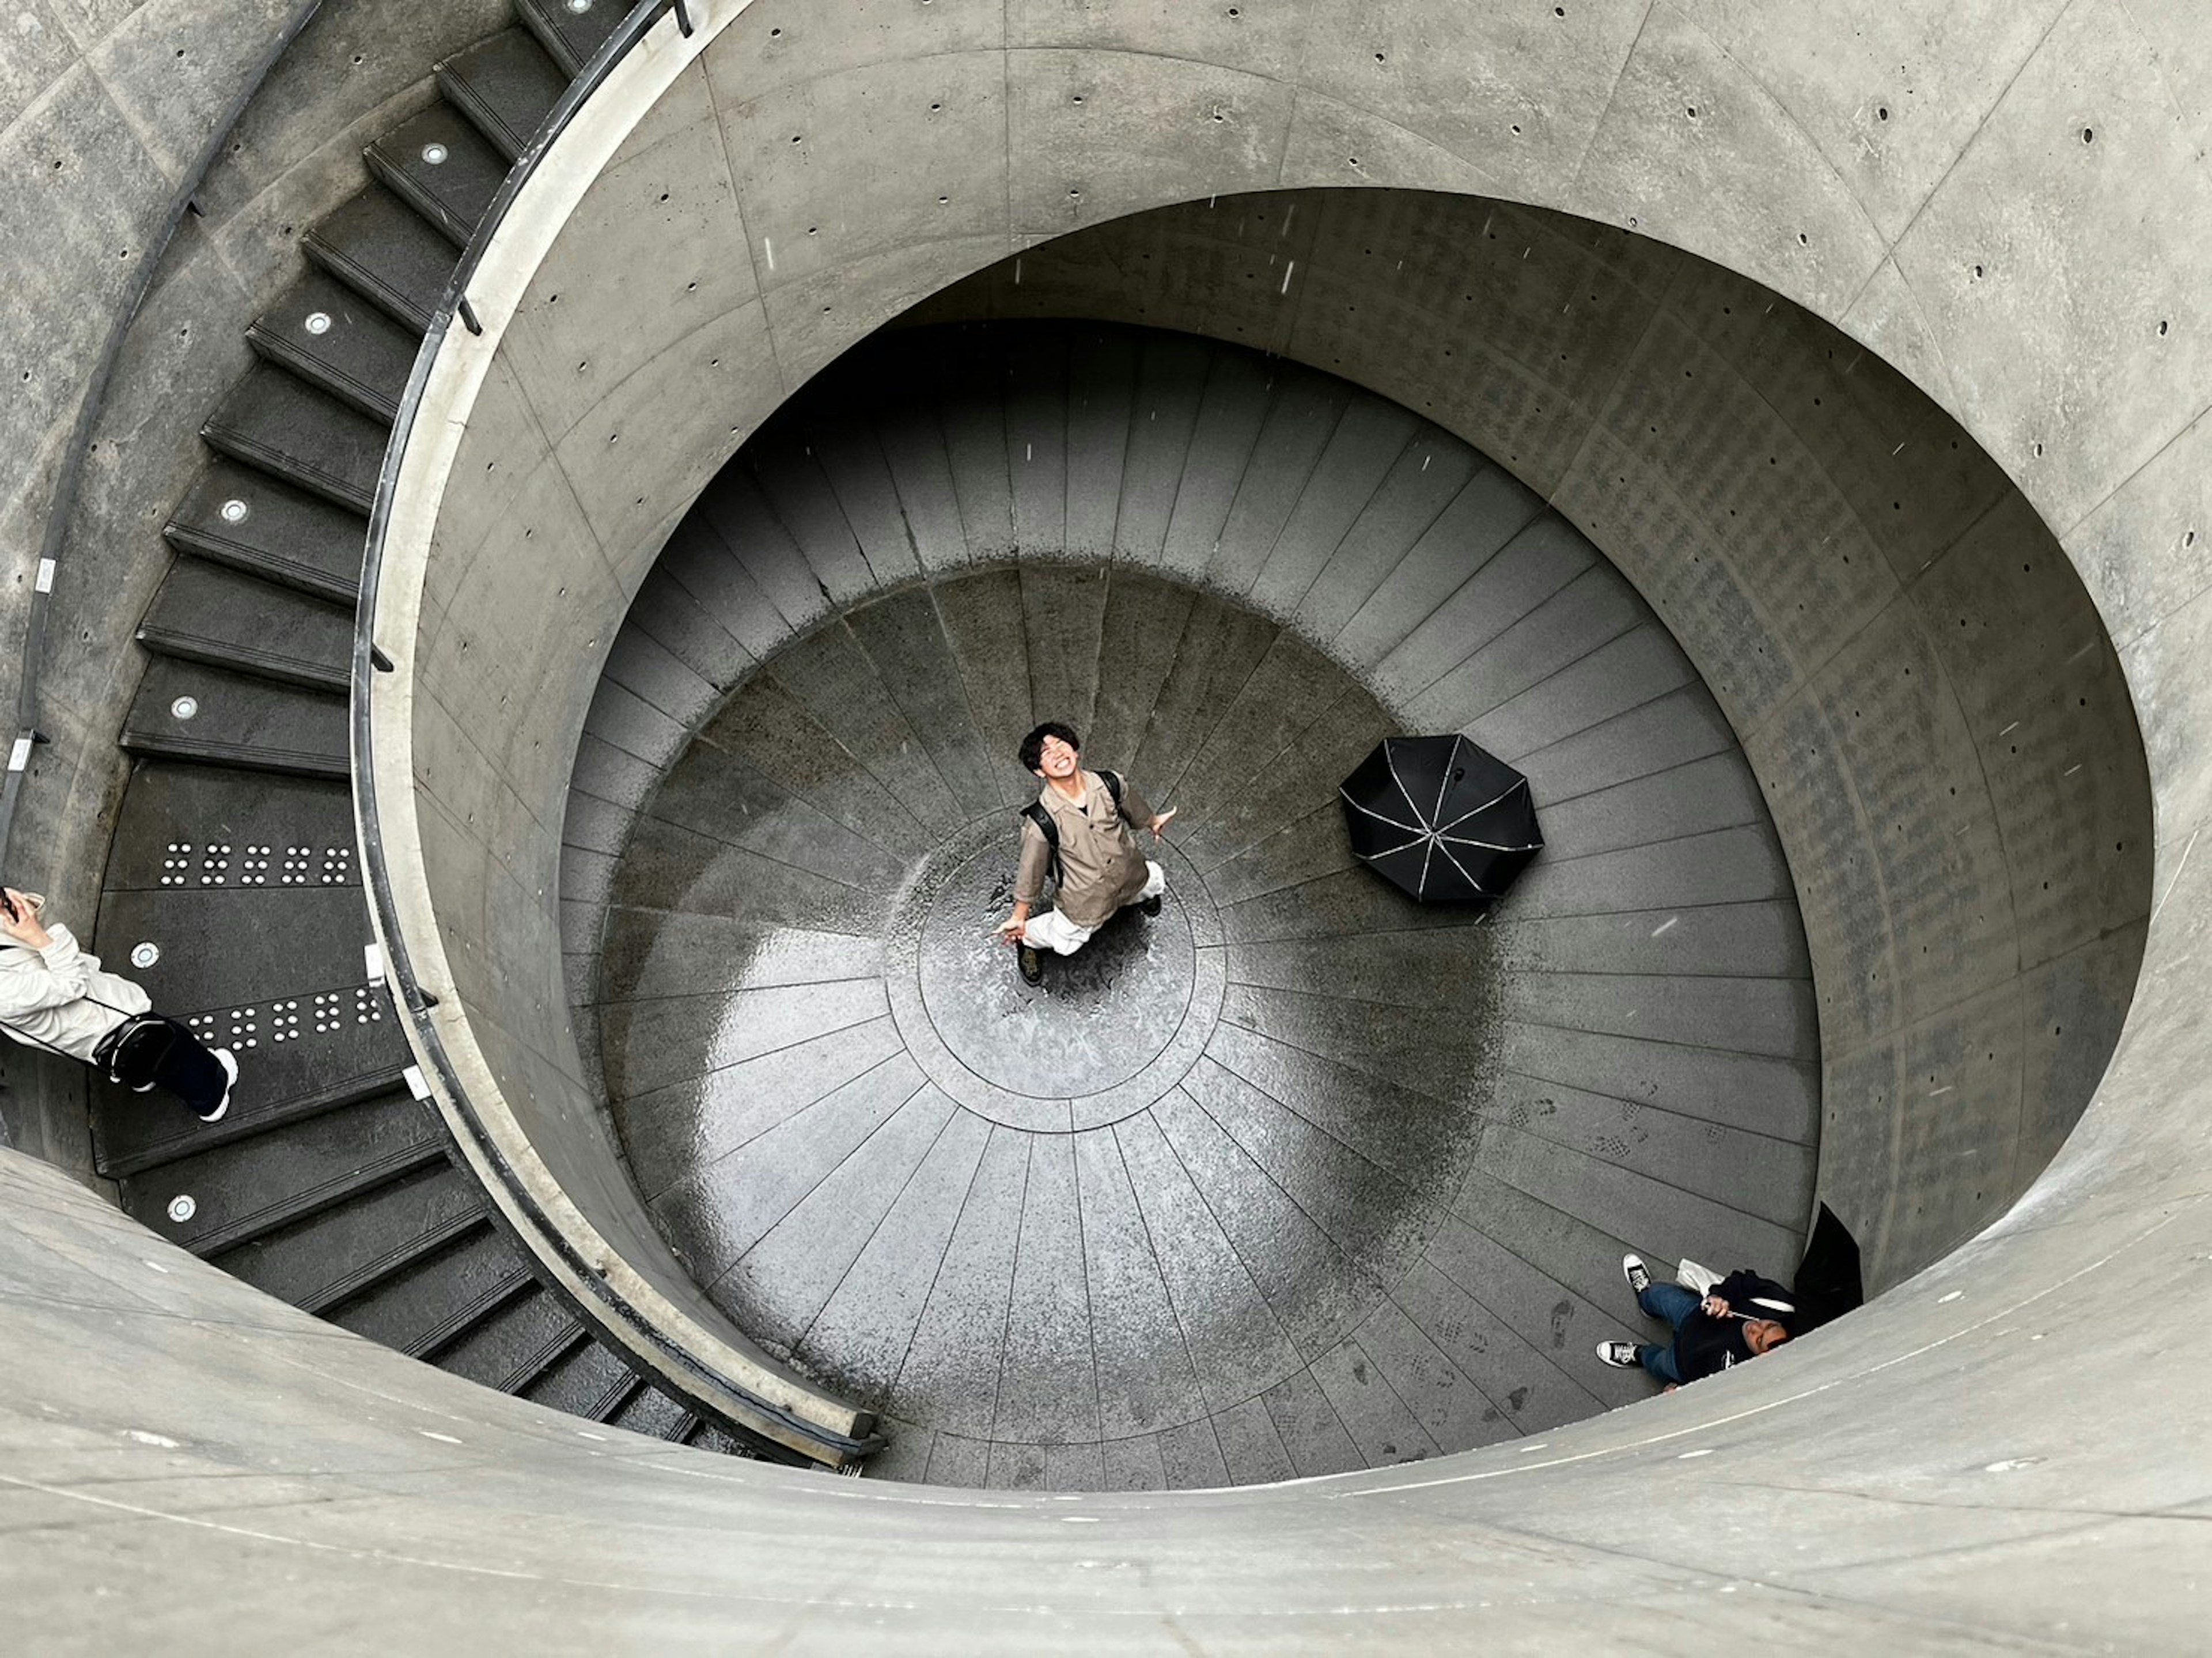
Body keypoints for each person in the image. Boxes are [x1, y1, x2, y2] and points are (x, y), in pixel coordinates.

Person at [0, 886, 237, 1122]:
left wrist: (21, 908)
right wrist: (38, 935)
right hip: (106, 1023)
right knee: (174, 1049)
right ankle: (212, 1095)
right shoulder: (5, 994)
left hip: (94, 1024)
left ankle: (142, 1076)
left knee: (143, 1060)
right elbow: (72, 983)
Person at [994, 723, 1176, 986]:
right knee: (1067, 939)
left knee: (1149, 883)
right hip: (1085, 898)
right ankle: (1030, 940)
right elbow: (1030, 874)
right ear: (1039, 771)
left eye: (1061, 744)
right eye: (1046, 753)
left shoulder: (1110, 783)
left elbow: (1135, 808)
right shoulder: (1041, 822)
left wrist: (1153, 821)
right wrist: (1019, 917)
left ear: (1075, 750)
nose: (1057, 753)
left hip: (1129, 872)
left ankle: (1138, 897)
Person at [1596, 1253, 1794, 1387]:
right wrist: (1719, 1295)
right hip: (1693, 1314)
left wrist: (1680, 1391)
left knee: (1657, 1363)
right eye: (1768, 1325)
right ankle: (1645, 1298)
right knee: (1658, 1294)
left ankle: (1639, 1354)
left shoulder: (1745, 1381)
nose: (1755, 1328)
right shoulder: (1780, 1305)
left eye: (1759, 1341)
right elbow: (1744, 1281)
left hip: (1682, 1363)